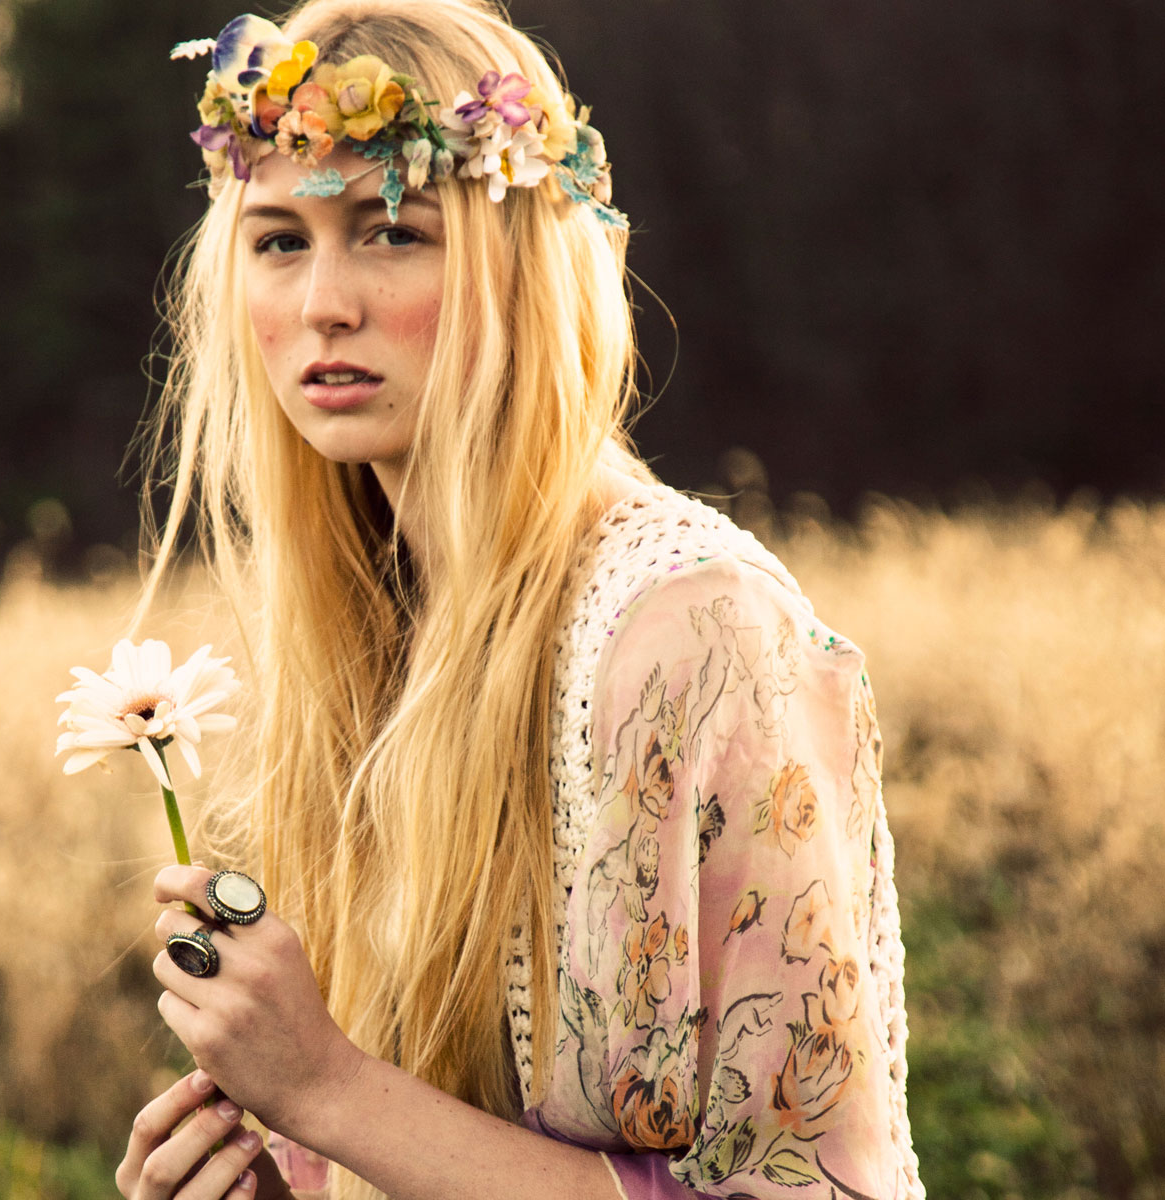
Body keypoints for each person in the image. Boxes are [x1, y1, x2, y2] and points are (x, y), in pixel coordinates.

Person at [114, 1, 925, 1197]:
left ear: (519, 262)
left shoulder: (691, 629)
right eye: (279, 239)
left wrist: (328, 1089)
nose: (323, 303)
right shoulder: (369, 625)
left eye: (391, 231)